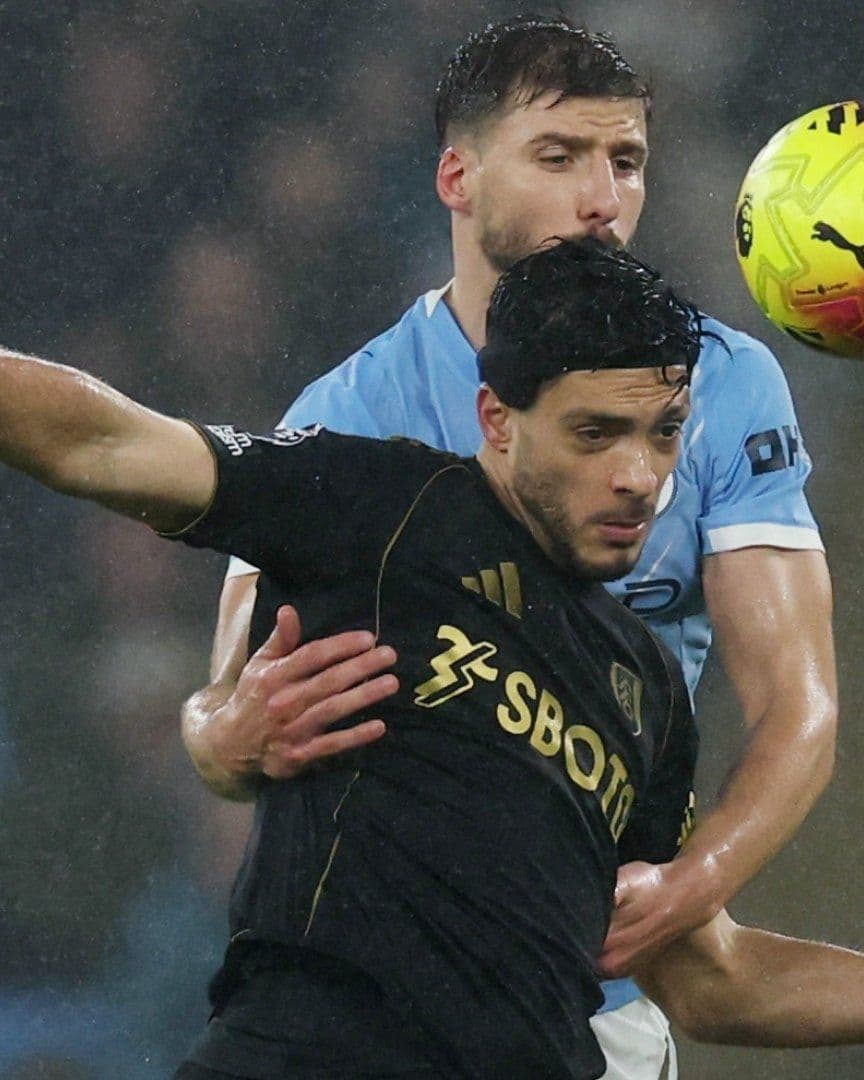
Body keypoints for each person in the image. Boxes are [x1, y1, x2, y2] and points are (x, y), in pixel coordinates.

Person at [0, 238, 861, 1080]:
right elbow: (104, 442)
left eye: (664, 433)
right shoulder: (376, 503)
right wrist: (216, 724)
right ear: (498, 421)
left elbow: (712, 982)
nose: (640, 475)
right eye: (596, 434)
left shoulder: (651, 693)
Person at [181, 17, 837, 1078]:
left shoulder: (722, 384)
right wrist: (222, 733)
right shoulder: (348, 411)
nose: (601, 199)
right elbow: (222, 709)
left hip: (599, 982)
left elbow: (797, 704)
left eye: (625, 162)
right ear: (456, 175)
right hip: (377, 989)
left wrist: (691, 881)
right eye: (559, 157)